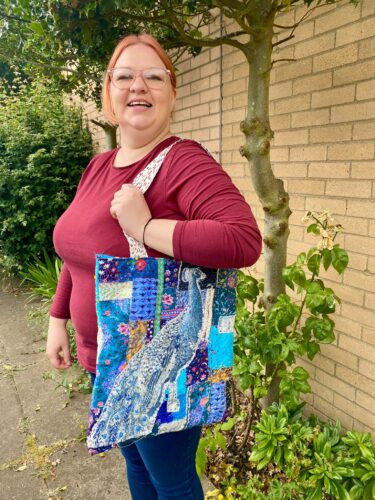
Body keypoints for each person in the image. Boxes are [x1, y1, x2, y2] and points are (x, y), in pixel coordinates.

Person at [47, 33, 262, 500]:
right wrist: (57, 317)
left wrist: (146, 228)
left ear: (172, 92)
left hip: (157, 365)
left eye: (153, 76)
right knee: (138, 467)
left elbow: (242, 239)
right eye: (124, 76)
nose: (137, 86)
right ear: (108, 92)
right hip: (103, 359)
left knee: (173, 482)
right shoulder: (100, 166)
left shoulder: (183, 161)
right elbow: (80, 253)